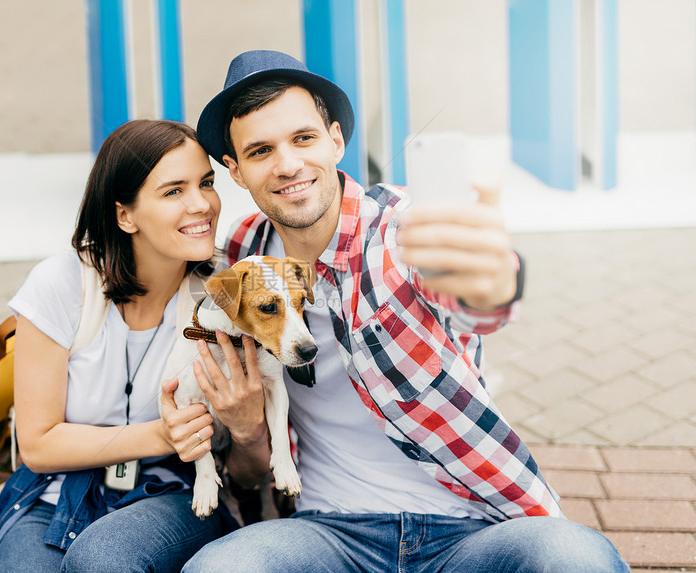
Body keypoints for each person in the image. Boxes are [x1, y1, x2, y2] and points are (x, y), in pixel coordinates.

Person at [182, 50, 629, 572]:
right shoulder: (240, 253)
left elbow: (472, 304)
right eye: (260, 151)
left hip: (471, 528)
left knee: (575, 558)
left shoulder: (403, 229)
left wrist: (494, 285)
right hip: (327, 533)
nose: (287, 164)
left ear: (336, 140)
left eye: (303, 139)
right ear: (235, 171)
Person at [0, 119, 242, 573]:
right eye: (174, 191)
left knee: (105, 561)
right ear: (125, 215)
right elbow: (36, 445)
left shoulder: (221, 295)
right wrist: (159, 435)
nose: (202, 204)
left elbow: (240, 455)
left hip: (174, 491)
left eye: (206, 183)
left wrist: (245, 427)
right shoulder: (61, 283)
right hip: (58, 491)